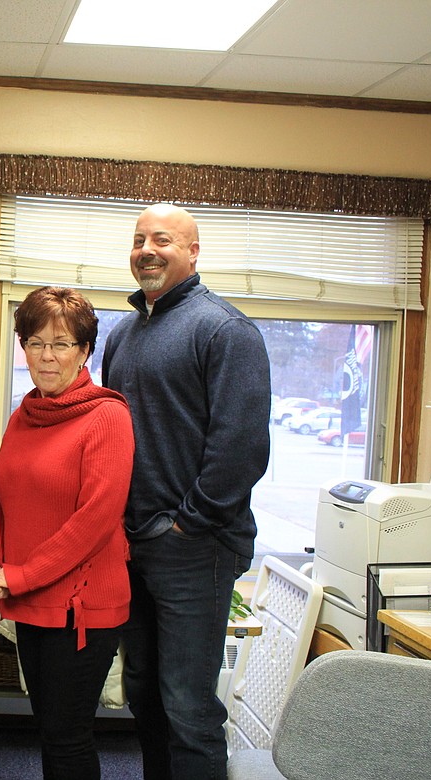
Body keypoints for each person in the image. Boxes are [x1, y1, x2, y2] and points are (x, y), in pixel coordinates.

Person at [100, 203, 271, 780]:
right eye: (138, 239)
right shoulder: (124, 335)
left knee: (189, 707)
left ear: (193, 252)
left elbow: (241, 449)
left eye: (163, 240)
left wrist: (187, 524)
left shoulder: (225, 330)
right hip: (133, 545)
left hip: (194, 548)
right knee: (144, 695)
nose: (146, 249)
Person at [0, 286, 134, 780]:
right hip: (30, 599)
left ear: (85, 351)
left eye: (62, 343)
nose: (47, 356)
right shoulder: (24, 414)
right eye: (36, 342)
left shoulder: (108, 416)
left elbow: (93, 522)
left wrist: (19, 575)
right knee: (48, 728)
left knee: (67, 737)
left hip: (81, 608)